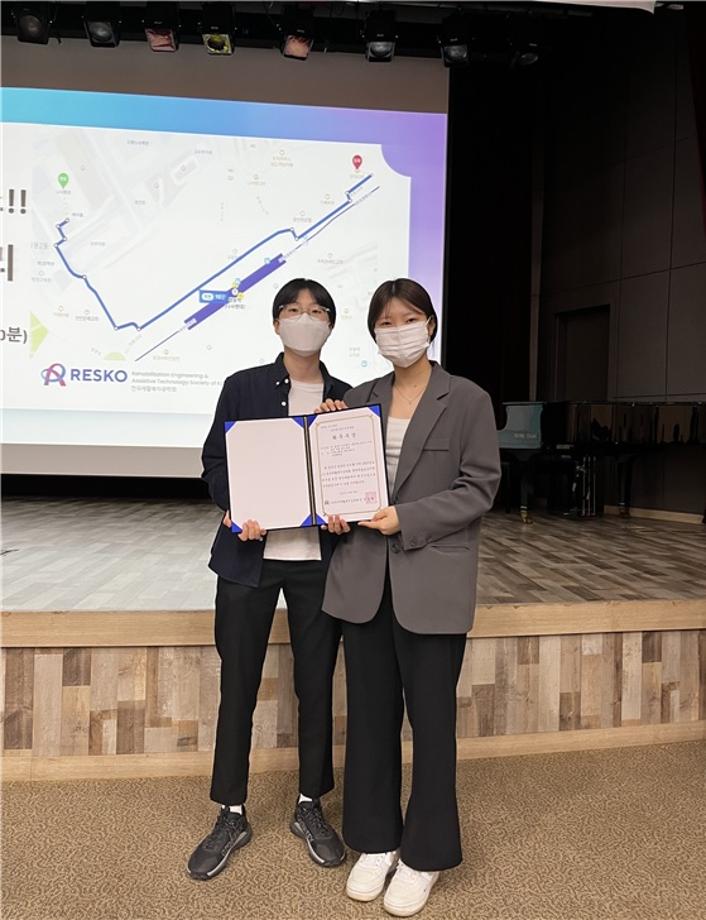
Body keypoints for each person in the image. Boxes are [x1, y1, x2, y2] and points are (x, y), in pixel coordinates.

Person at [319, 279, 501, 917]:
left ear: (430, 324)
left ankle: (424, 855)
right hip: (364, 583)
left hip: (432, 583)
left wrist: (408, 518)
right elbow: (335, 485)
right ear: (374, 333)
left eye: (409, 318)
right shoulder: (356, 400)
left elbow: (479, 487)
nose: (398, 330)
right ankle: (376, 842)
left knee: (432, 725)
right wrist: (331, 508)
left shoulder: (467, 398)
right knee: (370, 720)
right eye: (386, 322)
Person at [187, 279, 349, 881]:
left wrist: (347, 508)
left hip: (318, 562)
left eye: (318, 311)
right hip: (248, 557)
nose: (306, 319)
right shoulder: (244, 386)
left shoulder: (348, 397)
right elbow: (215, 461)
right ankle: (231, 811)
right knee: (238, 685)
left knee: (316, 684)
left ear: (331, 324)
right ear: (276, 321)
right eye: (294, 310)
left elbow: (354, 473)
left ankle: (311, 804)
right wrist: (234, 506)